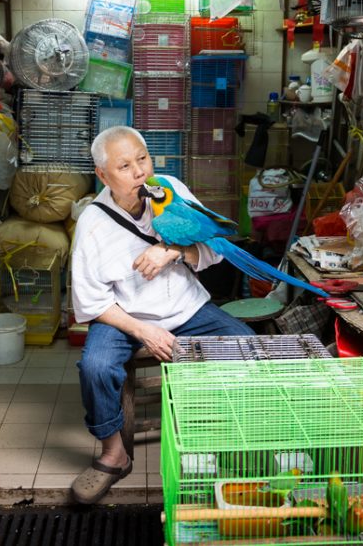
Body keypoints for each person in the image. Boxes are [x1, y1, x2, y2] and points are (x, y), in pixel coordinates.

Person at [69, 126, 254, 504]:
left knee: (247, 345)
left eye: (143, 158)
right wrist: (144, 331)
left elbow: (214, 252)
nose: (140, 172)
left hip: (186, 307)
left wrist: (172, 252)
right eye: (125, 166)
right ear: (103, 175)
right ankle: (113, 453)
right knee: (96, 366)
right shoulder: (92, 224)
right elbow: (92, 303)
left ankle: (231, 440)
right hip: (126, 316)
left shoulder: (169, 188)